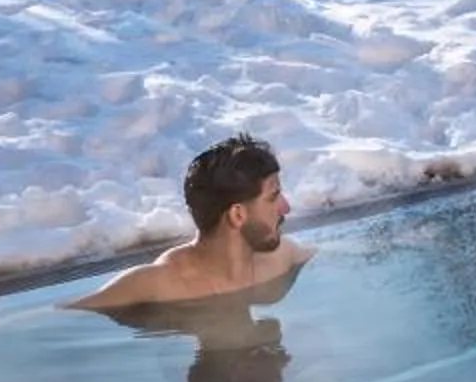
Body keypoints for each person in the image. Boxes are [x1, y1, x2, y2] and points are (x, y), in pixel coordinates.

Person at [73, 132, 311, 311]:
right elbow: (67, 316)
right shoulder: (157, 285)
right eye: (273, 196)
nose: (286, 207)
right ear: (238, 215)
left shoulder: (283, 258)